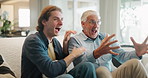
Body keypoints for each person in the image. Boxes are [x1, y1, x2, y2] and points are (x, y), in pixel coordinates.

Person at [21, 6, 97, 78]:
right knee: (66, 77)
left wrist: (65, 44)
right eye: (56, 19)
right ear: (44, 22)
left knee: (88, 66)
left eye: (61, 19)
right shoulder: (33, 41)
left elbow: (62, 66)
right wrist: (73, 55)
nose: (61, 23)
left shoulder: (54, 41)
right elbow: (51, 70)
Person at [68, 10, 148, 78]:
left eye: (98, 22)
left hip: (110, 74)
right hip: (93, 75)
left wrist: (137, 53)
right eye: (92, 22)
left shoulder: (106, 38)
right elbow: (80, 65)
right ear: (83, 24)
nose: (96, 26)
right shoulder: (75, 40)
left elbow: (122, 56)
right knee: (101, 70)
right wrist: (95, 54)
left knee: (135, 63)